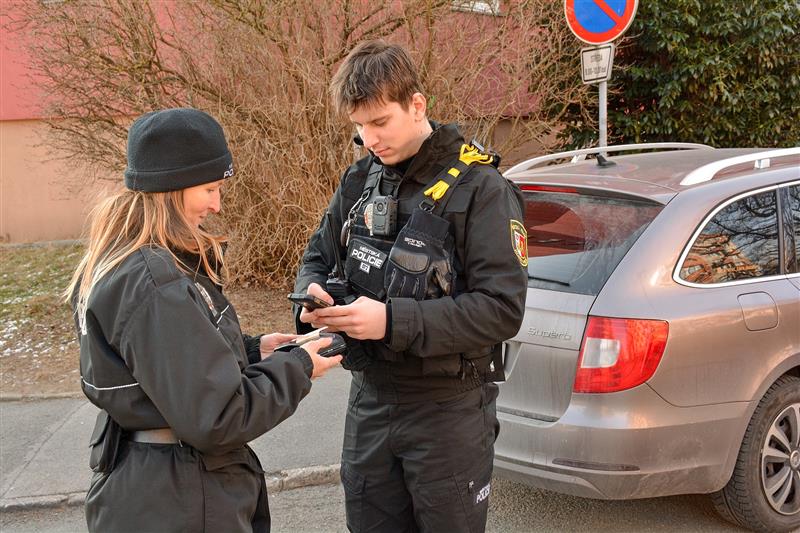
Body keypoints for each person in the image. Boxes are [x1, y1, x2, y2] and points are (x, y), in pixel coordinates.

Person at [65, 107, 341, 533]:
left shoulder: (124, 265)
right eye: (210, 188)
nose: (217, 204)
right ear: (170, 187)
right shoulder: (154, 284)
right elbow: (218, 417)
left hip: (154, 490)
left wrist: (253, 351)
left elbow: (160, 370)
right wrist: (299, 367)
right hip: (179, 501)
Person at [293, 40, 528, 532]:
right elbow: (317, 256)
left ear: (416, 105)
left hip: (448, 411)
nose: (369, 138)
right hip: (369, 401)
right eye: (359, 127)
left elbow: (501, 309)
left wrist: (390, 320)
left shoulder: (482, 189)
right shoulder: (359, 181)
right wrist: (311, 296)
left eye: (380, 123)